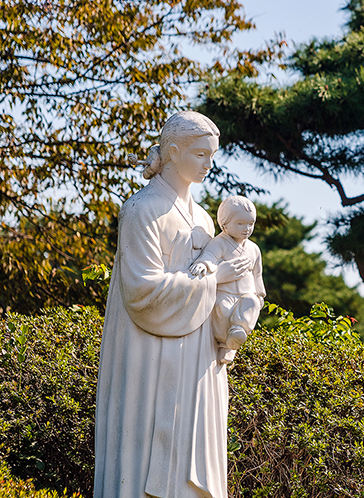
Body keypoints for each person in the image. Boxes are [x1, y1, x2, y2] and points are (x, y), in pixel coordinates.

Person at [94, 111, 250, 498]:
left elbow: (216, 286)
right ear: (174, 151)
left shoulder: (202, 217)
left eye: (211, 156)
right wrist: (219, 278)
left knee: (191, 458)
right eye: (200, 154)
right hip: (150, 353)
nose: (208, 165)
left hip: (198, 355)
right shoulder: (143, 209)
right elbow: (142, 291)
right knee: (144, 454)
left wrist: (235, 304)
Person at [190, 195, 266, 364]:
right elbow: (209, 256)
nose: (246, 228)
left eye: (250, 223)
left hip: (246, 293)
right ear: (224, 223)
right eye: (240, 223)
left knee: (251, 303)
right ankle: (226, 343)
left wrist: (260, 293)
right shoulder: (220, 243)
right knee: (221, 309)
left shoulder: (253, 249)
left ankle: (237, 334)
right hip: (225, 292)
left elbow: (257, 273)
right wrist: (203, 264)